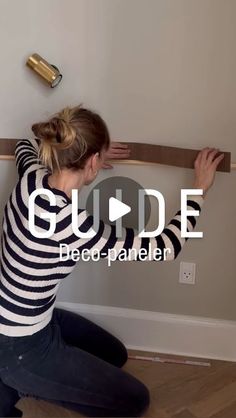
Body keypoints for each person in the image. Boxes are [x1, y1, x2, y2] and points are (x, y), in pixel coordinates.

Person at [0, 105, 224, 417]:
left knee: (113, 353)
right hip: (22, 347)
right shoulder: (72, 226)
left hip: (32, 320)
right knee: (135, 401)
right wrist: (199, 189)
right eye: (99, 158)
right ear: (92, 162)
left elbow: (26, 145)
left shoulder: (33, 176)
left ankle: (24, 376)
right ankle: (20, 383)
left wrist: (88, 153)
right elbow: (166, 246)